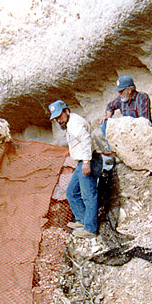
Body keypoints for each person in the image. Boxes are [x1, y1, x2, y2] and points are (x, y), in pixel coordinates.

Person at [49, 100, 100, 238]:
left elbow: (86, 140)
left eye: (60, 116)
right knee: (71, 192)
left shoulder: (75, 123)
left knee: (88, 195)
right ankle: (83, 220)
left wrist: (86, 162)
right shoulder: (69, 124)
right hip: (81, 162)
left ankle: (90, 229)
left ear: (67, 111)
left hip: (88, 160)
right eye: (56, 118)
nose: (59, 120)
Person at [100, 76, 152, 140]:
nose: (119, 93)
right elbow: (110, 106)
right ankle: (112, 149)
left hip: (141, 131)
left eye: (121, 91)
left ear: (129, 90)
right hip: (128, 130)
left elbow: (144, 121)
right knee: (104, 124)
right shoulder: (121, 98)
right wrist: (108, 117)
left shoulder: (142, 97)